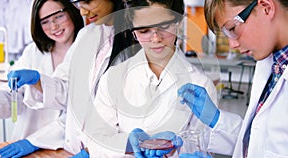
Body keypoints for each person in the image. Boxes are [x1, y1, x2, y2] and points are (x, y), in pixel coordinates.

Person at [76, 0, 221, 157]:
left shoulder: (199, 84)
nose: (155, 39)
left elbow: (203, 146)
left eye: (164, 27)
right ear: (133, 32)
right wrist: (128, 145)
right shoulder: (114, 76)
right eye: (144, 31)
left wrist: (173, 150)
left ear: (179, 22)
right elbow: (95, 140)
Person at [6, 0, 140, 157]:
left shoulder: (139, 39)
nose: (83, 12)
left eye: (87, 2)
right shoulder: (87, 35)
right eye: (78, 4)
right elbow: (66, 90)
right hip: (75, 149)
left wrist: (96, 152)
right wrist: (37, 80)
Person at [178, 0, 288, 157]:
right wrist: (217, 120)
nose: (232, 44)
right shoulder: (273, 63)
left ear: (266, 7)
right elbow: (261, 144)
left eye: (232, 29)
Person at [0, 0, 84, 157]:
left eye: (59, 16)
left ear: (73, 11)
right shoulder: (33, 52)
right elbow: (13, 99)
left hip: (64, 149)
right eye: (45, 21)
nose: (54, 26)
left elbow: (78, 113)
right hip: (25, 147)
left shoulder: (89, 51)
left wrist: (35, 141)